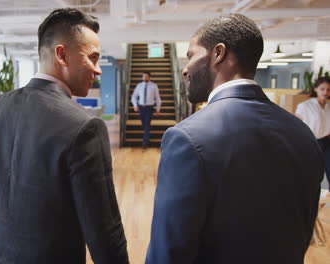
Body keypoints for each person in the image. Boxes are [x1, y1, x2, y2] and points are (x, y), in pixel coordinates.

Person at [146, 13, 323, 264]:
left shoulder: (187, 137)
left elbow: (169, 251)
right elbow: (304, 229)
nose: (185, 69)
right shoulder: (302, 133)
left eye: (191, 56)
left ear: (218, 53)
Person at [0, 8, 128, 264]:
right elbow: (104, 231)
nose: (98, 69)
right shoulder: (84, 126)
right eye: (92, 58)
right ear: (62, 55)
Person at [296, 76, 330, 188]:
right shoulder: (304, 106)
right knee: (312, 175)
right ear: (315, 89)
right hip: (311, 143)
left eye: (328, 90)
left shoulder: (329, 106)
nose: (326, 92)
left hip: (327, 143)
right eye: (322, 89)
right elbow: (297, 126)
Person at [131, 71, 162, 148]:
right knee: (144, 124)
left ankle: (145, 142)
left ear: (149, 77)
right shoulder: (139, 86)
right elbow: (134, 96)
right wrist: (135, 105)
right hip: (141, 108)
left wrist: (158, 109)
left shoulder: (154, 86)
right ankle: (146, 136)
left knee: (147, 124)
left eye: (146, 76)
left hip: (149, 108)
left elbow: (158, 98)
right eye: (143, 76)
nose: (144, 78)